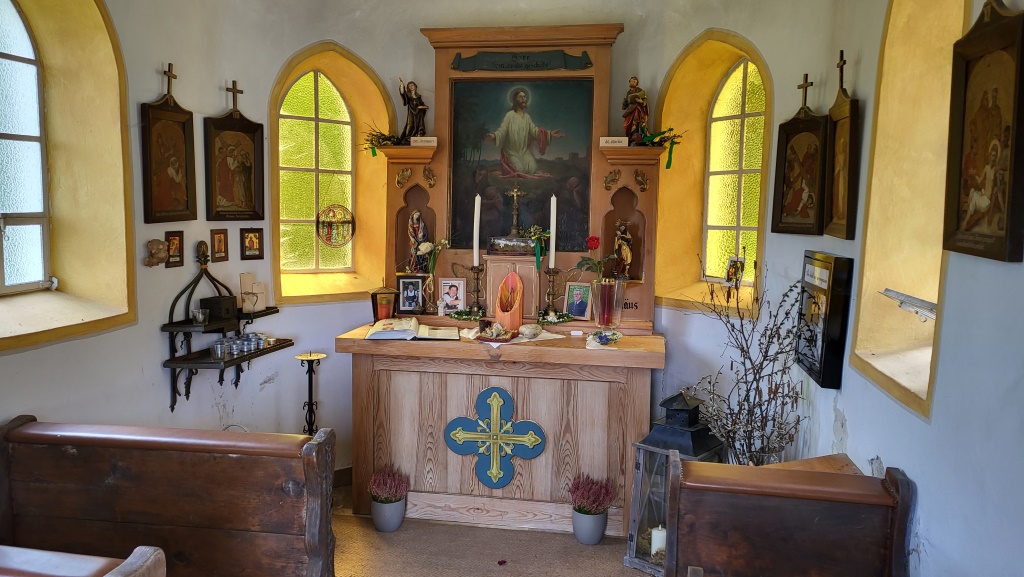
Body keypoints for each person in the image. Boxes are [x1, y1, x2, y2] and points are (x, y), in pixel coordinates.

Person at [484, 88, 564, 178]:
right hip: (511, 151)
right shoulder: (510, 115)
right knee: (520, 169)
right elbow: (502, 130)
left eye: (524, 97)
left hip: (524, 151)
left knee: (532, 169)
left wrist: (550, 134)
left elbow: (535, 131)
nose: (523, 99)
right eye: (520, 97)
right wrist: (493, 136)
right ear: (515, 100)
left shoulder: (527, 117)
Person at [399, 78, 429, 144]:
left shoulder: (418, 96)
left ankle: (419, 134)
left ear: (415, 86)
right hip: (412, 112)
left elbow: (421, 103)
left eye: (412, 85)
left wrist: (424, 106)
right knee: (410, 125)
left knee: (419, 124)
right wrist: (402, 86)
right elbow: (403, 94)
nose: (411, 87)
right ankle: (408, 138)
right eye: (409, 86)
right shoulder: (408, 95)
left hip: (419, 114)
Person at [621, 76, 649, 145]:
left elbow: (645, 101)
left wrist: (640, 101)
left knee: (636, 123)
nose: (633, 83)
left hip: (637, 110)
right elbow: (626, 104)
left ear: (637, 83)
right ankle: (630, 138)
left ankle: (637, 138)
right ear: (629, 82)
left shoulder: (639, 90)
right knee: (626, 124)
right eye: (632, 81)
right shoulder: (628, 92)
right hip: (630, 111)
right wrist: (623, 104)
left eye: (634, 82)